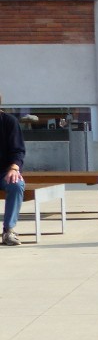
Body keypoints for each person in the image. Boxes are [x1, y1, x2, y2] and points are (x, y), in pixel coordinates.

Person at [1, 94, 26, 246]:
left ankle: (8, 230)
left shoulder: (9, 122)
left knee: (16, 185)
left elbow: (18, 150)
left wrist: (14, 168)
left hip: (4, 172)